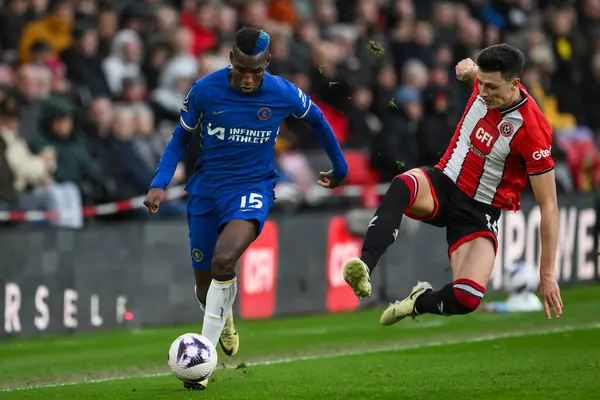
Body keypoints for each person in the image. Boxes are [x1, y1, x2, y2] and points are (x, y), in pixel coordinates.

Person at [144, 27, 347, 389]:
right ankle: (225, 316)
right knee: (205, 287)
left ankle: (201, 367)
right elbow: (180, 137)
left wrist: (341, 166)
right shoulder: (205, 90)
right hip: (206, 190)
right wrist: (160, 182)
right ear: (231, 60)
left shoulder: (282, 91)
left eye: (256, 71)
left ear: (267, 62)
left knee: (225, 260)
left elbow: (317, 119)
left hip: (252, 187)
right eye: (242, 70)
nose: (249, 79)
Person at [342, 44, 563, 324]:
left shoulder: (533, 130)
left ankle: (417, 303)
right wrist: (466, 68)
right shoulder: (484, 81)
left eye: (492, 87)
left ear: (514, 84)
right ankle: (365, 266)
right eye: (480, 83)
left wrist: (547, 275)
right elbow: (471, 68)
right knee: (402, 184)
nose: (483, 92)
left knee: (467, 298)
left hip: (480, 211)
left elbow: (550, 206)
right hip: (444, 182)